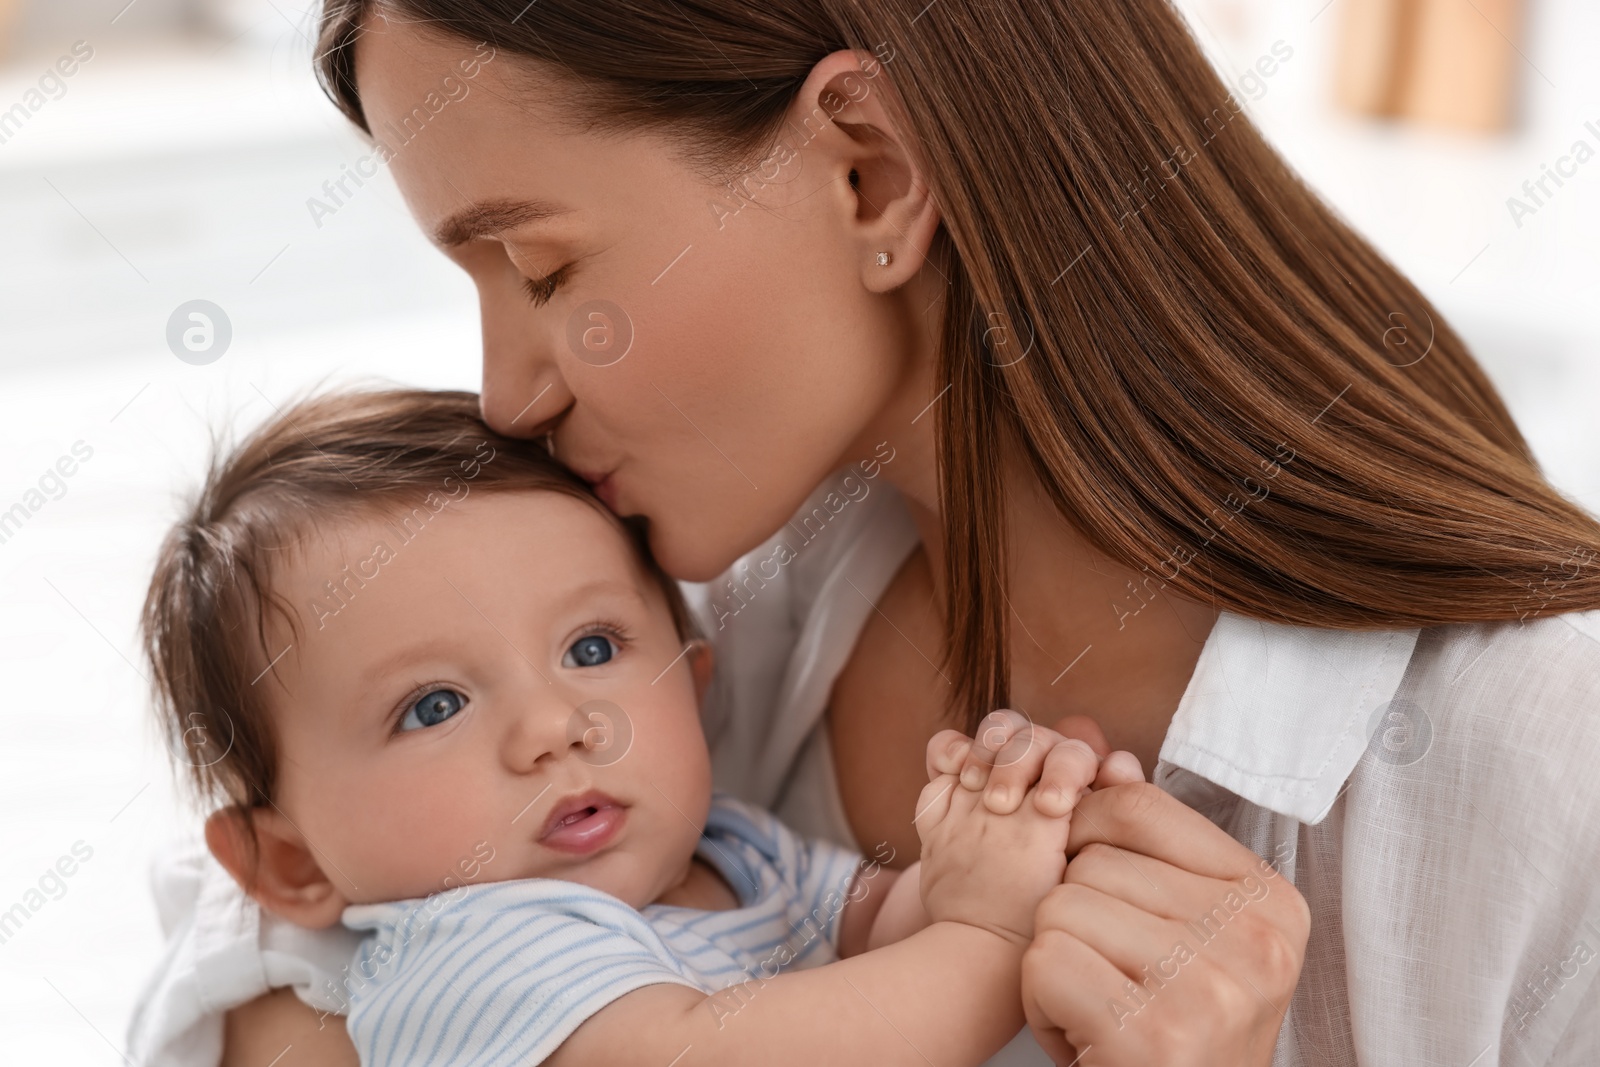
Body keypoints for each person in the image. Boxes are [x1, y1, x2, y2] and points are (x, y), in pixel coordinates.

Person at [130, 1, 1600, 1064]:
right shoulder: (711, 586)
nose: (508, 394)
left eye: (541, 266)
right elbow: (300, 863)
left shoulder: (1542, 771)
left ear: (872, 171)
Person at [134, 388, 1145, 1066]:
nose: (554, 727)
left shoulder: (736, 851)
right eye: (432, 704)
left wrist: (1006, 838)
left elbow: (880, 920)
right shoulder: (462, 953)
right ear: (290, 861)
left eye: (590, 647)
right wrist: (989, 933)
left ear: (693, 680)